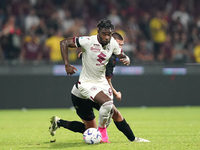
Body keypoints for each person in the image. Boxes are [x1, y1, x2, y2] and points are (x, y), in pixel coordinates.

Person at [49, 19, 149, 143]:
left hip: (100, 84)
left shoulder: (112, 44)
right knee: (103, 111)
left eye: (109, 34)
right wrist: (67, 65)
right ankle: (102, 131)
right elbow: (64, 42)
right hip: (84, 87)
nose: (107, 37)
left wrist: (126, 58)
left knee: (114, 113)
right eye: (104, 34)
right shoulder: (88, 41)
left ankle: (133, 140)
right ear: (98, 32)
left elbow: (121, 54)